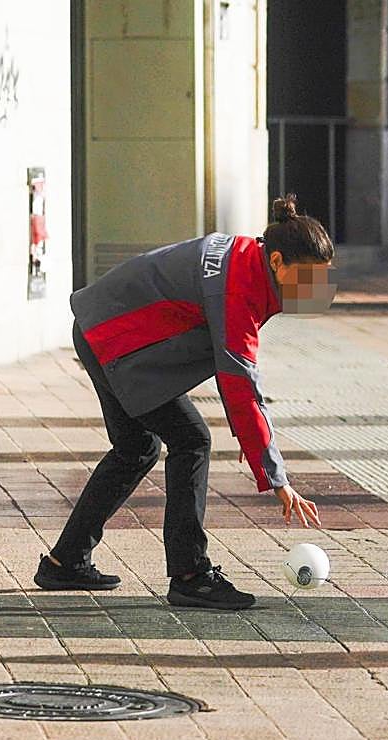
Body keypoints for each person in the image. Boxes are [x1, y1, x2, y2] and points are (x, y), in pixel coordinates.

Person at [33, 194, 337, 609]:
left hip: (99, 327)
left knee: (135, 448)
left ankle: (65, 561)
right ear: (278, 262)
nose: (315, 290)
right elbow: (241, 386)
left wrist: (259, 450)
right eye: (308, 279)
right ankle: (191, 574)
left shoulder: (249, 258)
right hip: (113, 340)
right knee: (191, 440)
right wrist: (277, 479)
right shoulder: (238, 288)